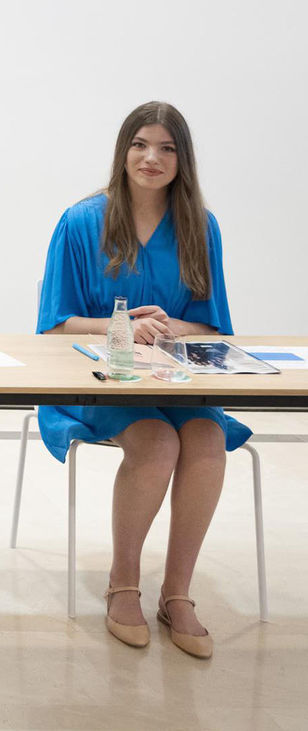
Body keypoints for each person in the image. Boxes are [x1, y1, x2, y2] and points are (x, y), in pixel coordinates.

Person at [36, 101, 247, 659]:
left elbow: (213, 326)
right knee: (156, 443)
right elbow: (54, 327)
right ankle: (122, 582)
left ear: (183, 160)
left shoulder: (201, 226)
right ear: (122, 151)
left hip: (174, 381)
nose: (151, 158)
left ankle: (177, 593)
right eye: (139, 145)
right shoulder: (82, 222)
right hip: (96, 380)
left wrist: (168, 326)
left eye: (167, 148)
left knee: (205, 439)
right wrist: (122, 326)